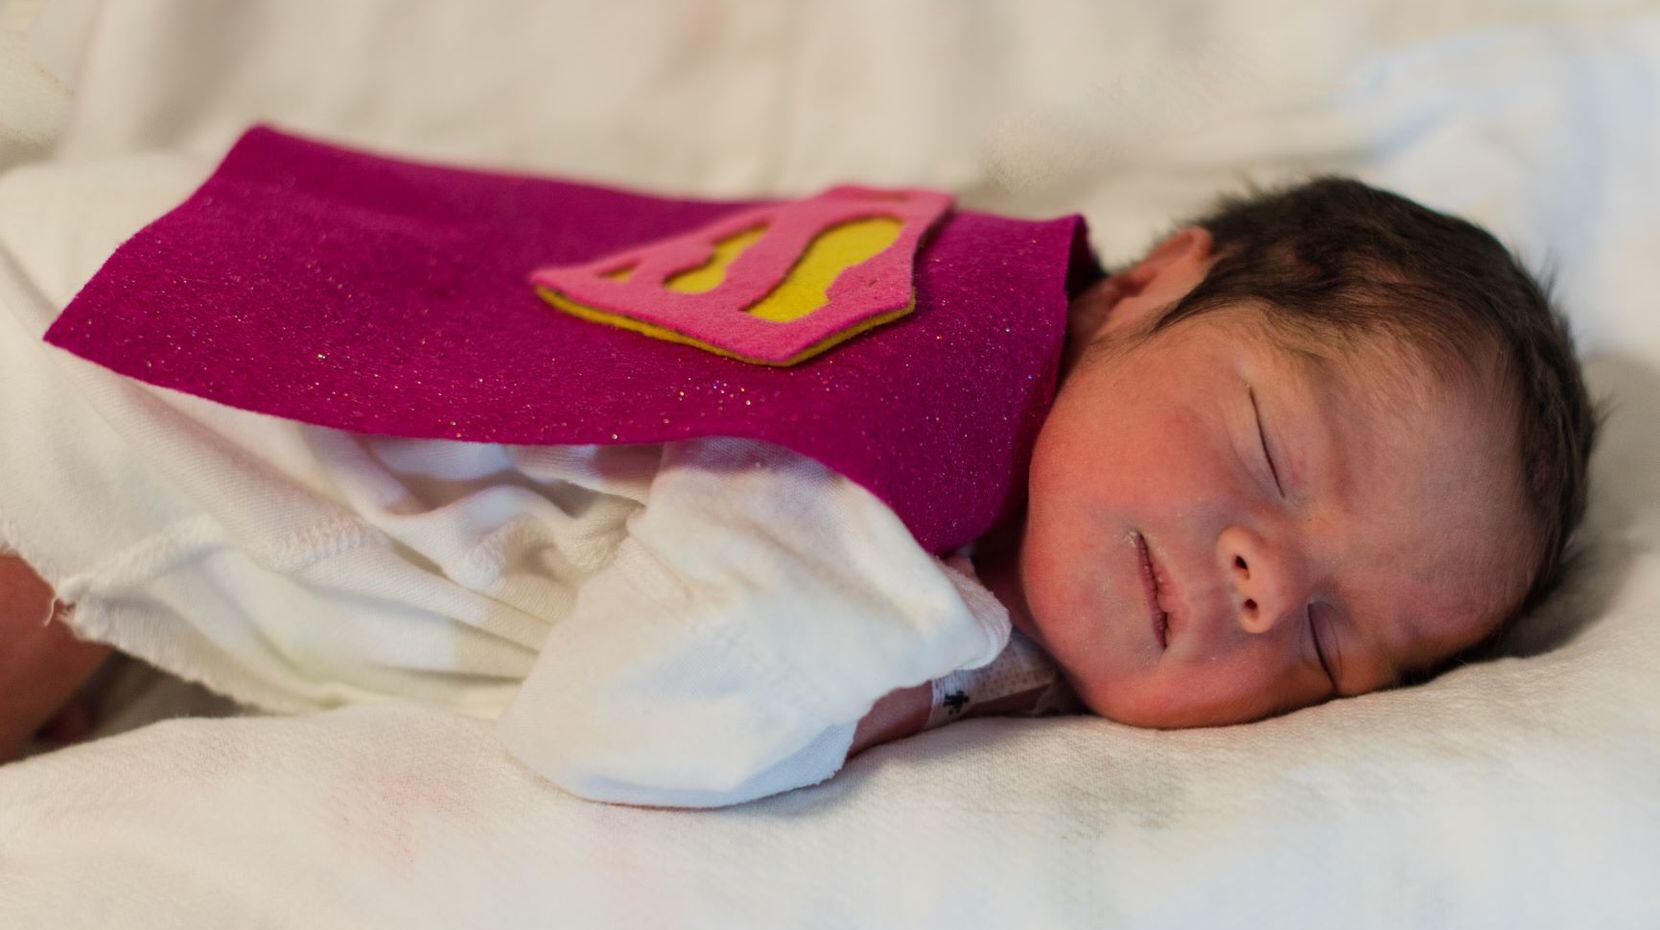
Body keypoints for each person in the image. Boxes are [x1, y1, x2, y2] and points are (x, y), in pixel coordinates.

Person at [0, 176, 1596, 806]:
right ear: (1153, 283)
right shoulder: (894, 450)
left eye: (1330, 644)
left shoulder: (974, 325)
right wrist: (924, 637)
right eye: (1269, 452)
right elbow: (615, 728)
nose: (1262, 582)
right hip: (101, 385)